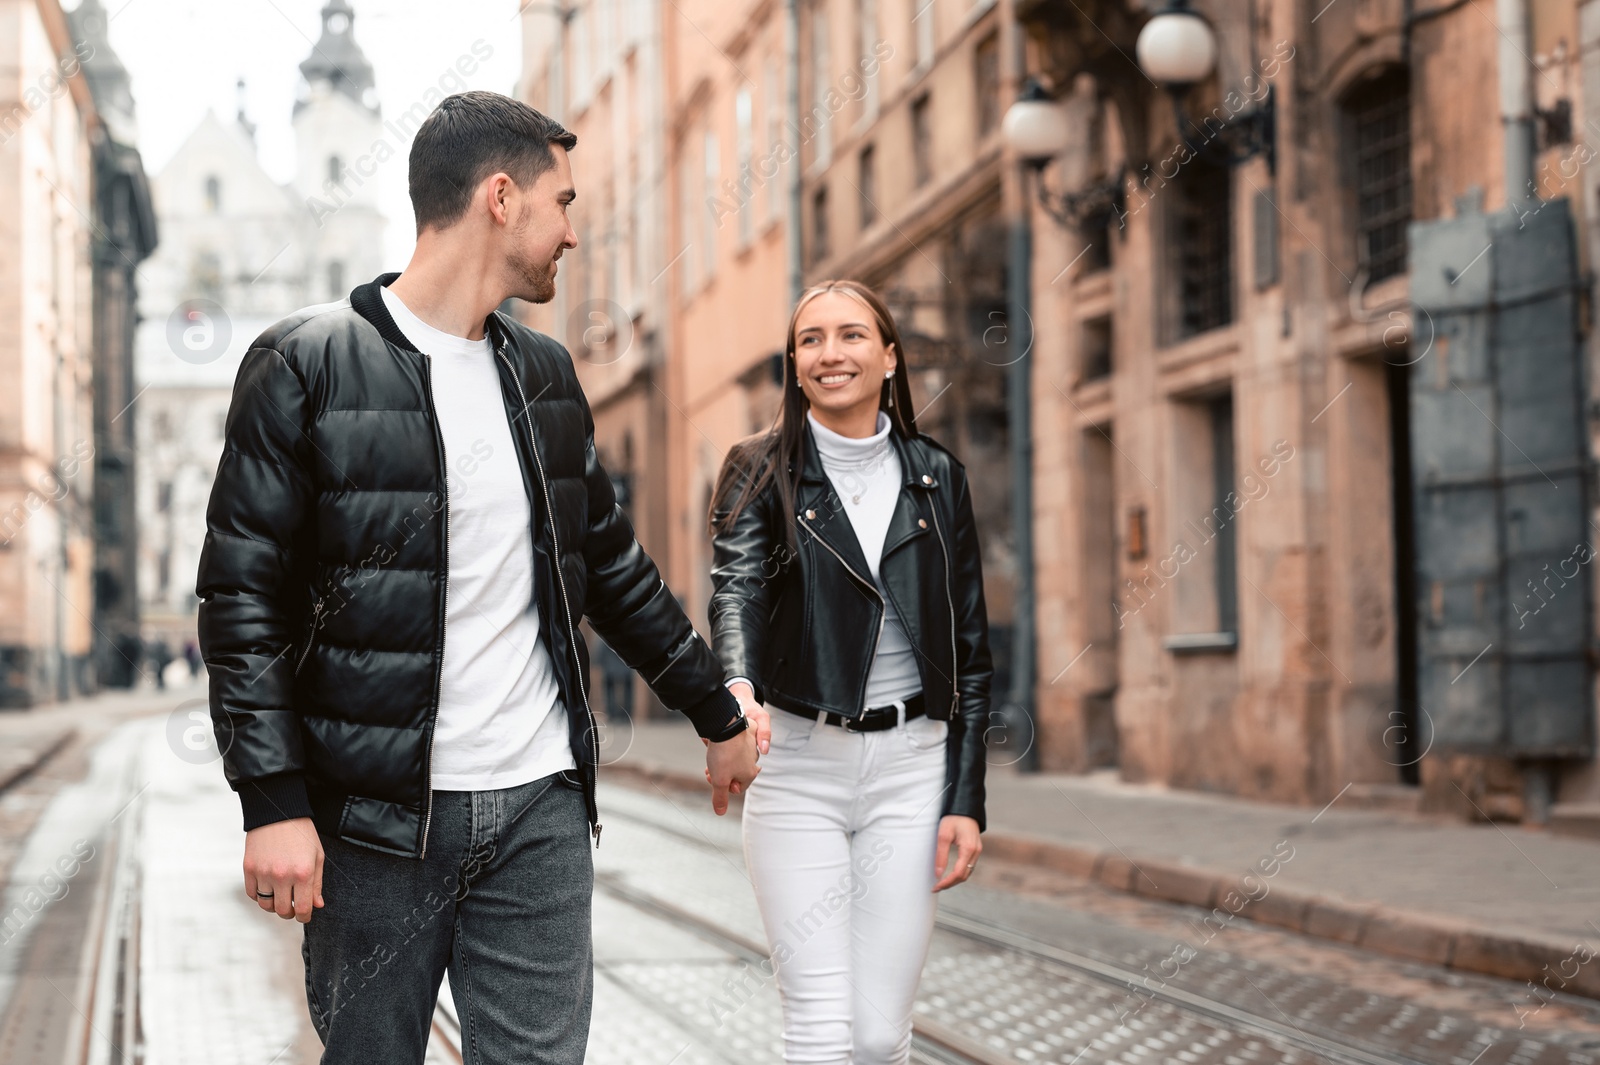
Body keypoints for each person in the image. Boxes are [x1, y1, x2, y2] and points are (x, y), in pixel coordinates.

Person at [195, 91, 763, 1065]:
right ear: (501, 198)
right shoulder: (304, 364)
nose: (572, 234)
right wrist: (273, 801)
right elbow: (241, 601)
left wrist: (717, 712)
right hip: (373, 821)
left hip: (537, 804)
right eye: (562, 204)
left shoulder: (541, 373)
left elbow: (613, 571)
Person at [708, 279, 992, 1064]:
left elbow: (970, 643)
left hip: (911, 770)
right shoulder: (757, 470)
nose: (831, 353)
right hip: (799, 766)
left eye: (852, 335)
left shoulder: (939, 476)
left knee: (877, 1033)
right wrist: (737, 694)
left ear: (890, 356)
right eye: (811, 340)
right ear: (795, 367)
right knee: (823, 1029)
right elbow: (735, 591)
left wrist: (965, 797)